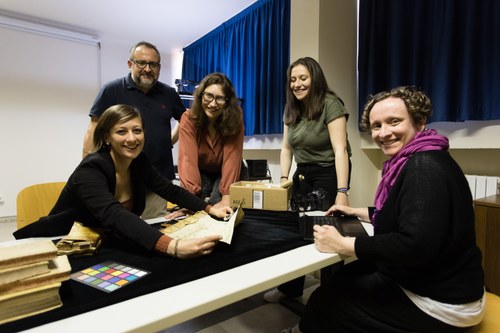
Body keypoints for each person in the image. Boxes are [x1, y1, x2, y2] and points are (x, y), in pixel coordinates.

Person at [284, 86, 485, 333]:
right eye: (376, 126)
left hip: (443, 304)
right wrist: (359, 212)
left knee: (324, 301)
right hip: (439, 282)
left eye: (394, 122)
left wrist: (344, 245)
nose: (384, 133)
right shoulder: (425, 157)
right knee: (345, 277)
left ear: (419, 121)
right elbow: (409, 215)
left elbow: (414, 244)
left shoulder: (423, 168)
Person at [15, 105, 232, 259]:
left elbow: (169, 190)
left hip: (107, 240)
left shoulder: (139, 162)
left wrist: (209, 208)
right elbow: (113, 214)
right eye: (121, 131)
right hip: (62, 244)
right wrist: (173, 246)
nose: (132, 138)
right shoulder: (91, 169)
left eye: (137, 131)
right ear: (107, 137)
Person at [264, 57, 352, 302]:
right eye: (293, 79)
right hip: (303, 171)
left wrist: (342, 191)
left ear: (314, 78)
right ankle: (289, 289)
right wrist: (283, 179)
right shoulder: (291, 109)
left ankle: (332, 298)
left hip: (329, 170)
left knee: (327, 231)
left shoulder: (330, 104)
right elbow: (285, 149)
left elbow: (340, 150)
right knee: (296, 228)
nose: (297, 84)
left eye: (303, 78)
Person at [82, 41, 186, 219]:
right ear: (130, 64)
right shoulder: (111, 90)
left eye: (153, 64)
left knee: (153, 228)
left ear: (159, 68)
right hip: (119, 176)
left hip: (157, 178)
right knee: (114, 227)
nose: (147, 69)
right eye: (141, 63)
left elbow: (185, 122)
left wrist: (167, 141)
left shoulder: (169, 94)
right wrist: (88, 169)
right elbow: (93, 129)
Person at [176, 72, 247, 210]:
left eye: (220, 98)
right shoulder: (188, 118)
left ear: (227, 101)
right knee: (194, 206)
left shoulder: (235, 117)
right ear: (201, 94)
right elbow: (187, 159)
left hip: (228, 172)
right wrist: (188, 201)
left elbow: (232, 158)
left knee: (218, 203)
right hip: (201, 171)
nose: (213, 104)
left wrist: (227, 196)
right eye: (208, 96)